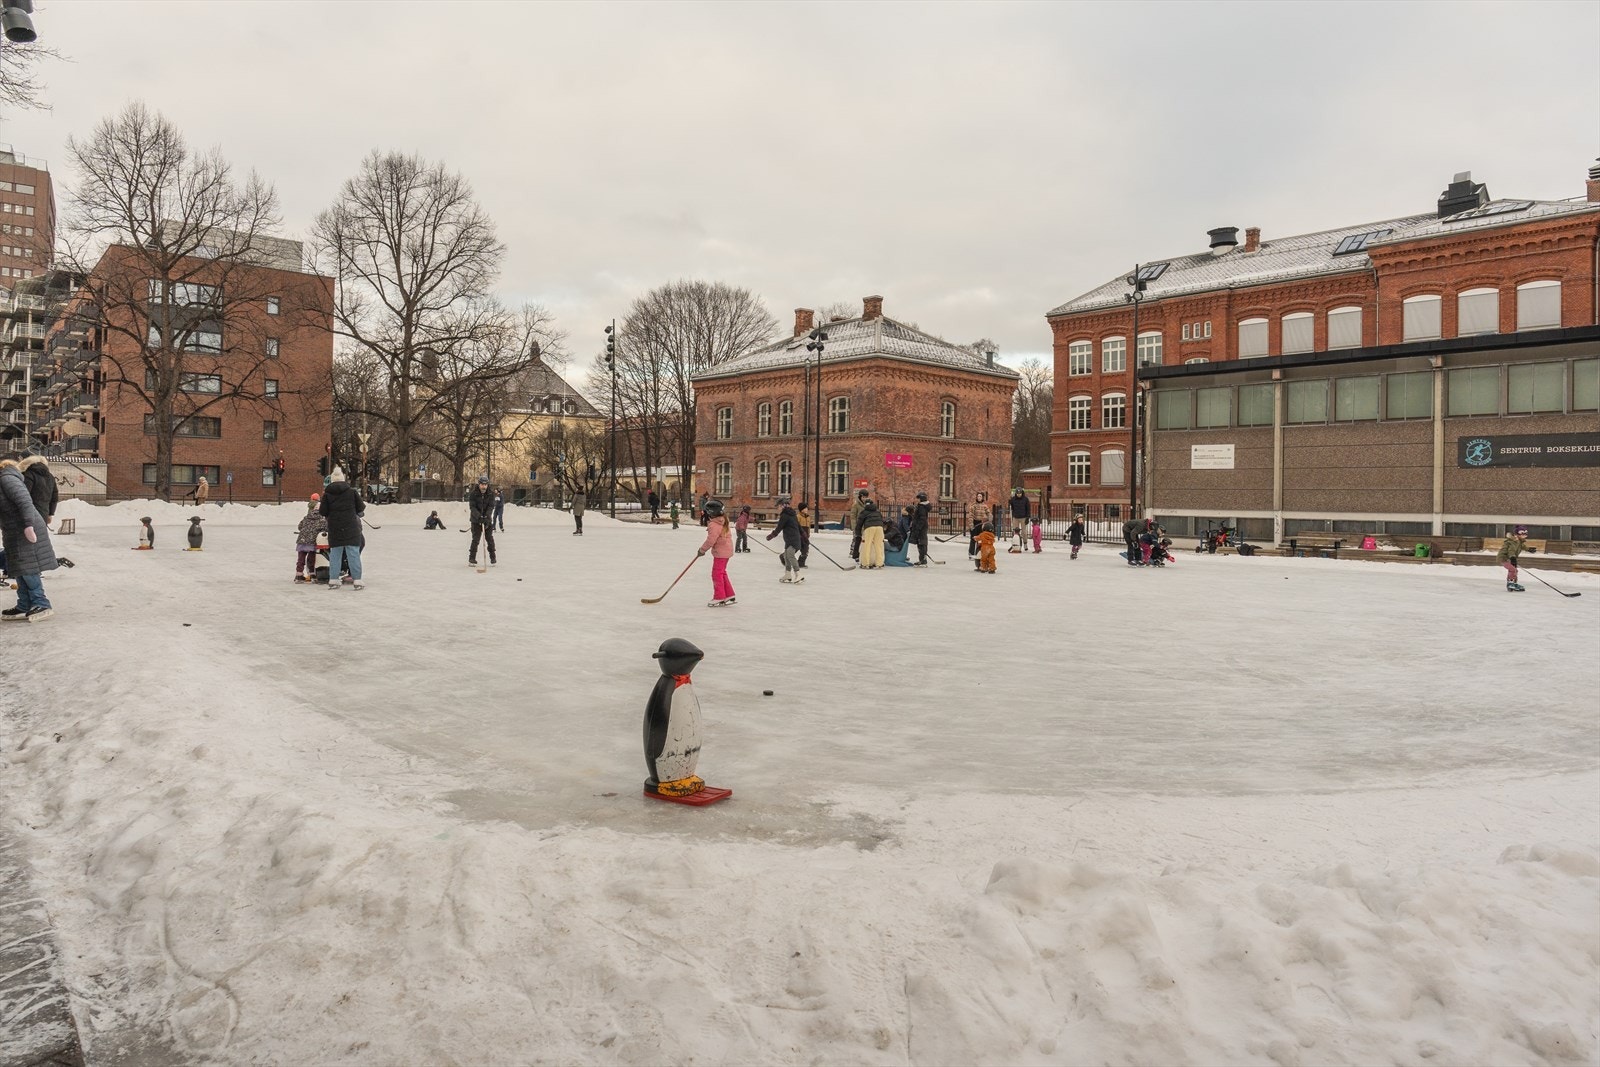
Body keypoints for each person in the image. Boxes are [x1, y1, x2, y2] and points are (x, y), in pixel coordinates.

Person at [0, 459, 58, 620]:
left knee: (28, 566)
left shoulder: (7, 478)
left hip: (27, 527)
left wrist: (28, 526)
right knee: (18, 567)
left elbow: (24, 501)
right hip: (13, 529)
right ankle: (24, 604)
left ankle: (42, 603)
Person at [318, 467, 366, 589]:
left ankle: (333, 579)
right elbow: (361, 507)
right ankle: (357, 580)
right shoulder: (352, 492)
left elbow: (322, 511)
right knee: (353, 553)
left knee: (335, 554)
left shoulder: (327, 495)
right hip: (351, 527)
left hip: (335, 527)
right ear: (343, 479)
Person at [697, 499, 736, 606]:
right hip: (726, 551)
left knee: (716, 574)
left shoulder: (714, 525)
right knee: (722, 572)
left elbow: (711, 540)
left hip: (721, 552)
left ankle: (719, 596)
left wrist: (702, 550)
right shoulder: (723, 520)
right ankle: (729, 594)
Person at [766, 495, 803, 582]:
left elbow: (779, 528)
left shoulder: (785, 515)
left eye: (778, 506)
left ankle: (798, 574)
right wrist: (803, 535)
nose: (777, 508)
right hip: (790, 540)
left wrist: (771, 535)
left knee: (790, 555)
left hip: (793, 540)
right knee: (786, 556)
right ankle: (788, 574)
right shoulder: (792, 514)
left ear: (783, 505)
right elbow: (799, 526)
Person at [19, 453, 56, 529]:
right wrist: (50, 513)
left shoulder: (28, 474)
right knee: (40, 538)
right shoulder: (50, 476)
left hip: (29, 515)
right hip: (44, 514)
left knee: (26, 538)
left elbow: (23, 495)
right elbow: (54, 497)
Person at [467, 475, 497, 565]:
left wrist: (487, 517)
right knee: (475, 539)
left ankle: (493, 557)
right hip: (476, 520)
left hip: (487, 520)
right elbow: (472, 507)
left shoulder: (491, 494)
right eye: (482, 484)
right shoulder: (473, 494)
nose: (484, 486)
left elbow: (491, 506)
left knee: (490, 539)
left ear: (487, 485)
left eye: (485, 484)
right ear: (479, 484)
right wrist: (479, 517)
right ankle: (472, 559)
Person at [295, 495, 326, 581]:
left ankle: (299, 574)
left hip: (302, 540)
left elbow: (300, 526)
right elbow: (325, 529)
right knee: (311, 559)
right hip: (312, 541)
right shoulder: (322, 519)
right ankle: (312, 574)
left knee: (301, 558)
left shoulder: (307, 517)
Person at [1498, 524, 1531, 592]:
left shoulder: (1519, 541)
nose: (1524, 536)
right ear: (1518, 534)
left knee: (1515, 570)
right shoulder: (1514, 541)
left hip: (1511, 558)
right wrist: (1512, 557)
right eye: (1522, 535)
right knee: (1513, 570)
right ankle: (1510, 583)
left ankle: (1514, 583)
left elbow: (1523, 546)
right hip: (1504, 558)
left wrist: (1529, 549)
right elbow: (1511, 550)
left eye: (1525, 535)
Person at [855, 495, 885, 569]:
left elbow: (859, 524)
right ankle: (879, 563)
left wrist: (858, 533)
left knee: (867, 545)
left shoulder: (864, 512)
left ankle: (865, 564)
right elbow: (882, 520)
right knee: (879, 546)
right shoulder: (877, 511)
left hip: (869, 528)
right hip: (879, 527)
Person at [908, 491, 932, 566]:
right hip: (921, 527)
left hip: (921, 528)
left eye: (917, 498)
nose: (916, 500)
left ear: (921, 499)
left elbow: (922, 519)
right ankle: (922, 559)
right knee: (921, 543)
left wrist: (918, 527)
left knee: (921, 543)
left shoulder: (922, 507)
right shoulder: (921, 506)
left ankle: (923, 560)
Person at [848, 488, 870, 560]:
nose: (864, 499)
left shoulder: (868, 504)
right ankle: (852, 552)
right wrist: (854, 526)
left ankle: (860, 552)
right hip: (858, 525)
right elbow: (853, 516)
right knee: (856, 538)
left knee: (862, 540)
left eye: (866, 497)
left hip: (865, 525)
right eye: (863, 497)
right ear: (860, 496)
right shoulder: (856, 504)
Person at [796, 501, 812, 568]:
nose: (806, 510)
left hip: (806, 536)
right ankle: (784, 556)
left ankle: (800, 563)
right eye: (805, 508)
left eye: (807, 508)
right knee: (795, 549)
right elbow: (796, 527)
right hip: (799, 536)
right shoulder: (798, 517)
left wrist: (808, 534)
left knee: (805, 550)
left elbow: (808, 527)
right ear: (801, 509)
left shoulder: (808, 517)